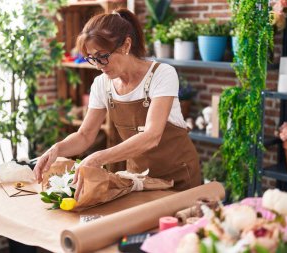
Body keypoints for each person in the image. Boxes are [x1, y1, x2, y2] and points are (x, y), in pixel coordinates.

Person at [33, 8, 201, 199]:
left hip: (178, 177)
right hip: (139, 180)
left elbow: (152, 136)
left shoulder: (162, 74)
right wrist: (57, 149)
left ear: (126, 45)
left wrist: (97, 158)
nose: (98, 65)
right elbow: (85, 135)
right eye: (92, 58)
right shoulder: (102, 84)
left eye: (102, 56)